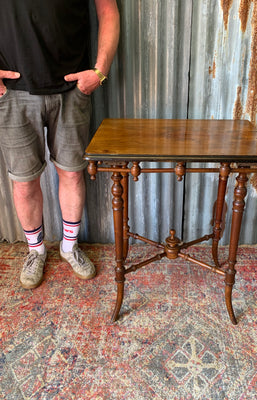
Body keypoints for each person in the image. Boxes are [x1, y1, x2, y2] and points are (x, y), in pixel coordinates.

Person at [0, 0, 120, 289]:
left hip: (72, 88)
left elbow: (108, 10)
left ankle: (69, 246)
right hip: (14, 92)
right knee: (25, 181)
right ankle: (36, 250)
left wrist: (99, 71)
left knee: (71, 172)